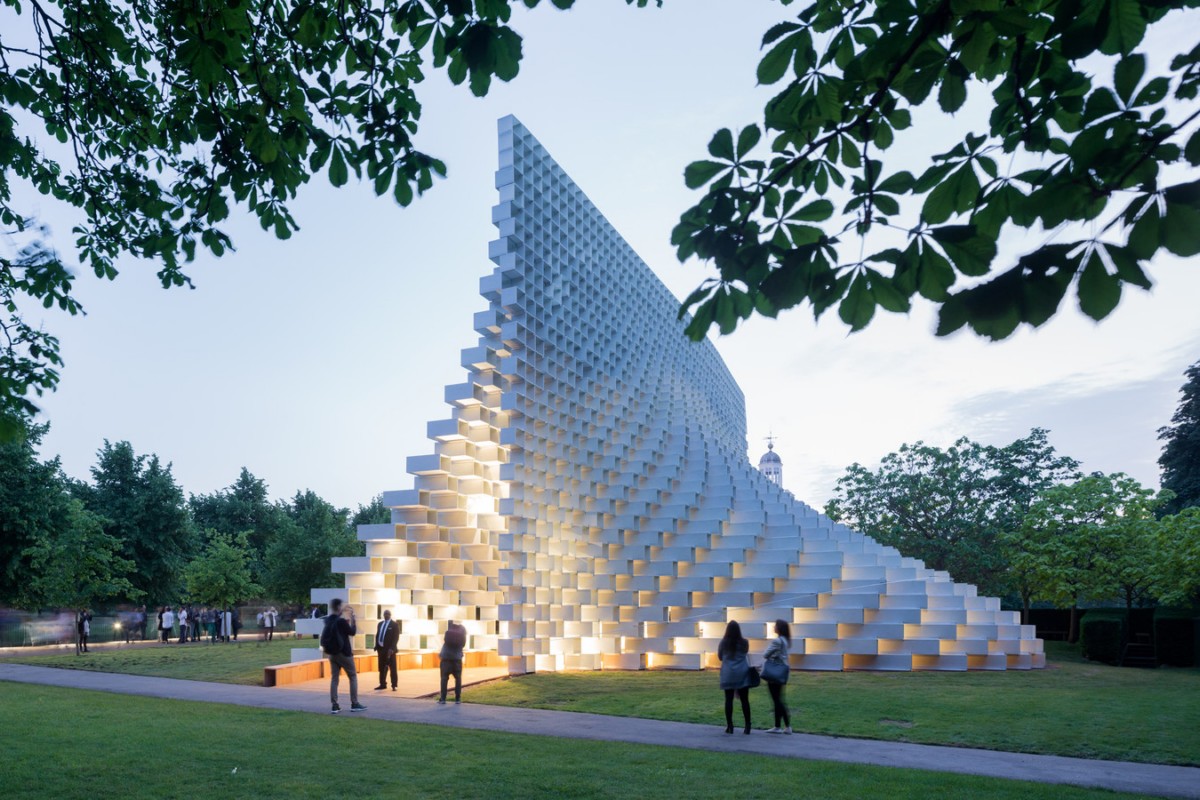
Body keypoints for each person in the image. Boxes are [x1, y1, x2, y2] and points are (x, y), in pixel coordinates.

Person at [323, 598, 365, 714]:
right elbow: (352, 632)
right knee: (352, 676)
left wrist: (342, 611)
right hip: (344, 653)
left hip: (332, 654)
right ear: (338, 607)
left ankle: (335, 705)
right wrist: (353, 619)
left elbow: (335, 619)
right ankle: (354, 703)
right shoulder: (341, 622)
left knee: (334, 679)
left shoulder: (328, 620)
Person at [718, 620, 754, 734]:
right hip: (742, 673)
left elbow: (720, 657)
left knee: (728, 700)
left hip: (728, 673)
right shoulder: (744, 642)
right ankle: (747, 727)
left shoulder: (723, 643)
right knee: (745, 700)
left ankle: (730, 726)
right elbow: (745, 653)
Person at [762, 619, 792, 734]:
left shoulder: (777, 641)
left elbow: (765, 654)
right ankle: (783, 726)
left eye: (775, 626)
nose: (774, 627)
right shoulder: (785, 640)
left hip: (774, 672)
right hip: (782, 671)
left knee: (776, 699)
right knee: (779, 698)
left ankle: (781, 726)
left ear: (779, 628)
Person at [438, 620, 467, 704]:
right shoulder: (462, 633)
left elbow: (445, 641)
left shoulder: (449, 631)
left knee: (444, 678)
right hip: (457, 659)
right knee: (458, 679)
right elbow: (463, 644)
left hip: (446, 658)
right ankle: (457, 699)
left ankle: (443, 699)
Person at [373, 609, 400, 691]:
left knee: (392, 668)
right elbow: (378, 635)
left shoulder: (394, 624)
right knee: (381, 667)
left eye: (387, 614)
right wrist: (376, 645)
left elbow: (396, 637)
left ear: (390, 615)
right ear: (383, 615)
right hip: (381, 649)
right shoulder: (380, 624)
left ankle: (394, 685)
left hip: (390, 650)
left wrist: (392, 648)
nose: (386, 615)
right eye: (385, 614)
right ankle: (382, 684)